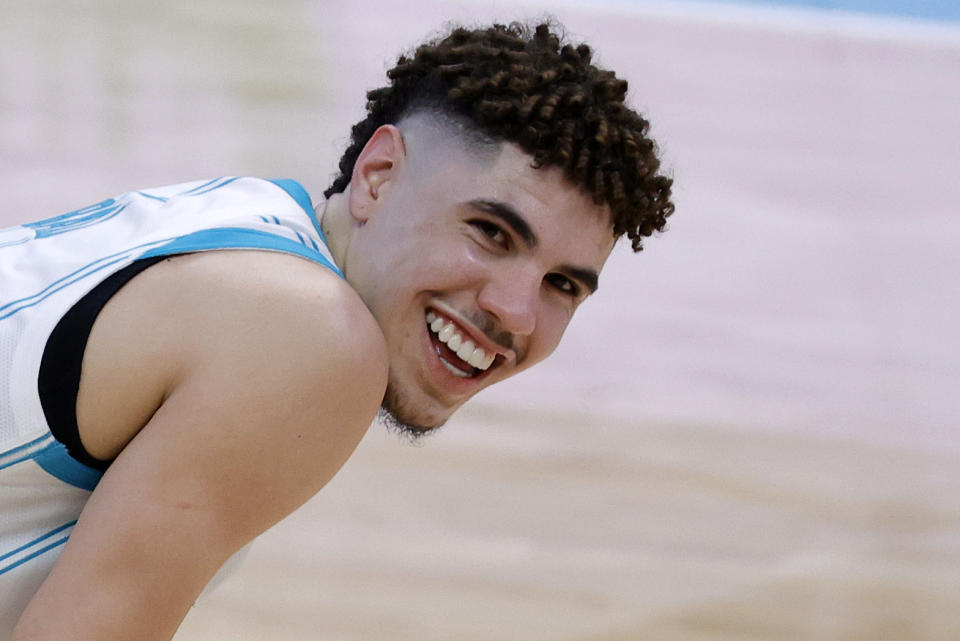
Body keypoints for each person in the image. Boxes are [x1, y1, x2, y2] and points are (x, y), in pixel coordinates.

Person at [0, 21, 673, 640]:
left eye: (563, 285)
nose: (517, 313)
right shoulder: (308, 336)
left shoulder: (248, 218)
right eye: (491, 233)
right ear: (377, 177)